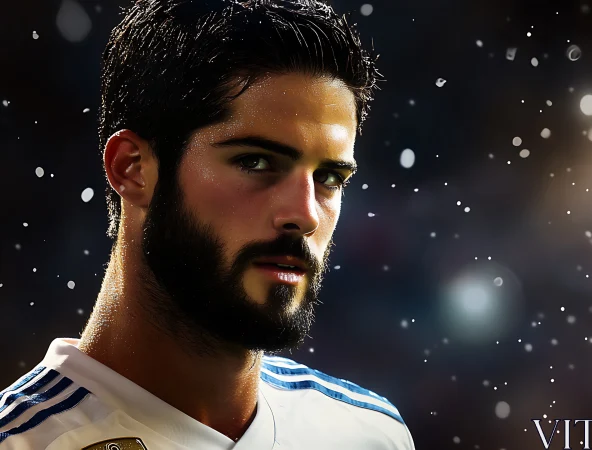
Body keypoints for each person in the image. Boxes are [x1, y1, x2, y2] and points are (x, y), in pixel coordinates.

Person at [0, 0, 415, 448]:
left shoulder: (372, 435)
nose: (305, 214)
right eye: (256, 162)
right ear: (131, 169)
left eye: (329, 177)